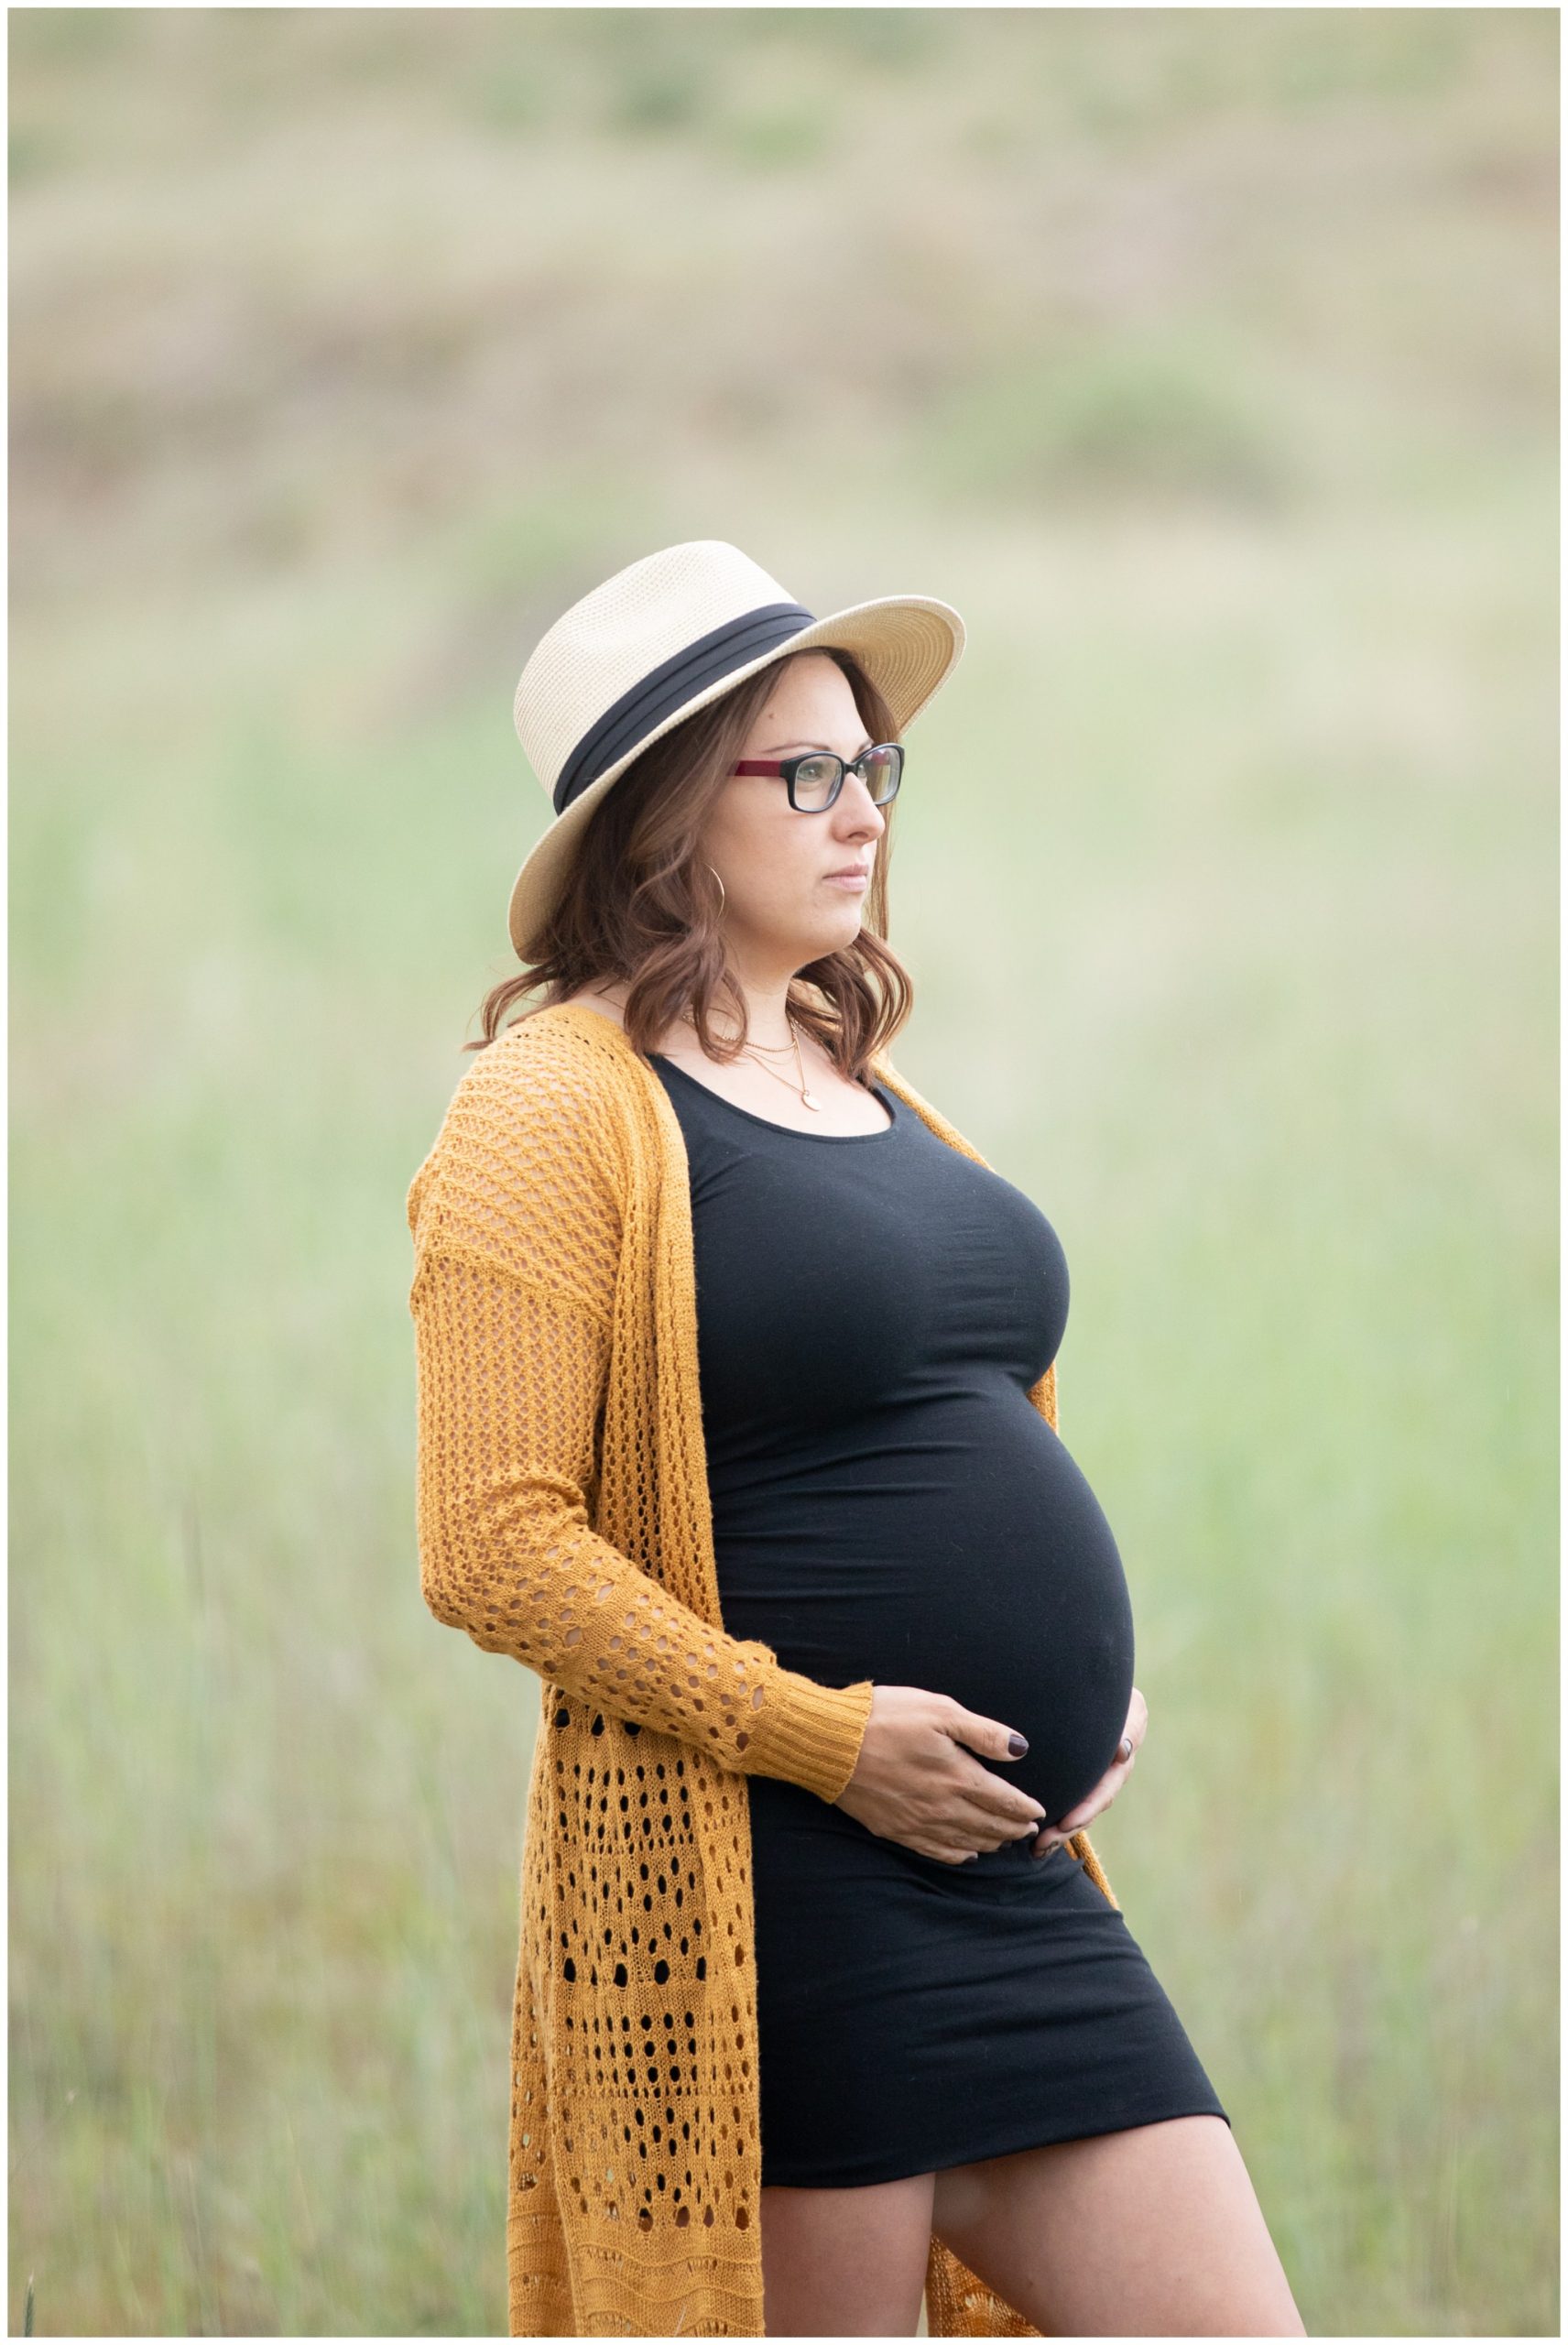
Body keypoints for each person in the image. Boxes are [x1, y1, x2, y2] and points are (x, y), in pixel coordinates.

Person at [406, 539, 1305, 2337]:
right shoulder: (548, 1104)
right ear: (665, 810)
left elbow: (948, 1416)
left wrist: (1081, 1688)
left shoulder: (861, 1075)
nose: (859, 812)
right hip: (776, 1904)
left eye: (872, 766)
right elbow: (489, 1541)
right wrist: (824, 1736)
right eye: (804, 772)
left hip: (1014, 1884)